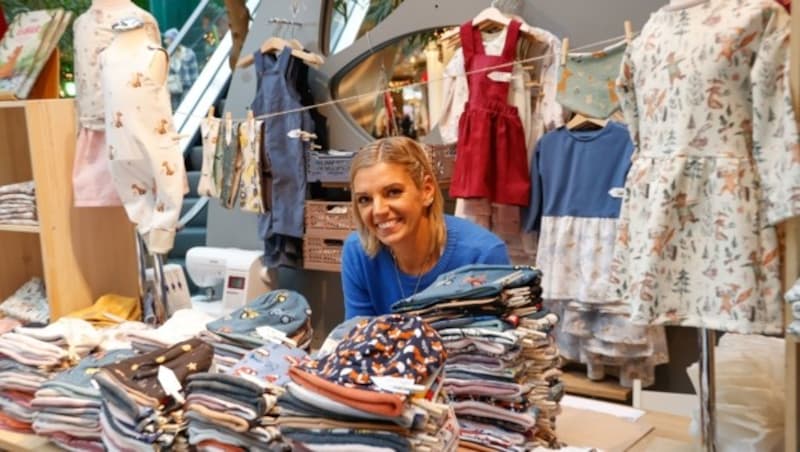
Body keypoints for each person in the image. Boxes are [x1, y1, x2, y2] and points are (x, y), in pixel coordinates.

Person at [341, 136, 511, 319]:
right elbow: (358, 338)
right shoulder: (357, 253)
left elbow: (494, 342)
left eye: (393, 192)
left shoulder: (482, 255)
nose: (378, 211)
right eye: (365, 199)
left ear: (426, 191)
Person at [162, 28, 199, 110]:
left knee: (187, 110)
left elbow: (194, 73)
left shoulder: (188, 53)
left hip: (187, 88)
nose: (166, 42)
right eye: (166, 40)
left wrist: (195, 89)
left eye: (168, 39)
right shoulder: (166, 55)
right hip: (173, 91)